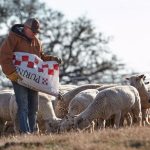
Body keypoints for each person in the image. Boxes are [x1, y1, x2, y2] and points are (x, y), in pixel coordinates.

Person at [0, 18, 61, 134]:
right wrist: (11, 73)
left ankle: (32, 131)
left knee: (34, 107)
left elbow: (40, 58)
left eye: (36, 31)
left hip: (33, 79)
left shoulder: (36, 41)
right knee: (23, 105)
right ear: (25, 28)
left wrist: (52, 59)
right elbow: (4, 56)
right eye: (33, 31)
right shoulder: (13, 38)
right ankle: (24, 132)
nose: (35, 33)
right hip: (18, 78)